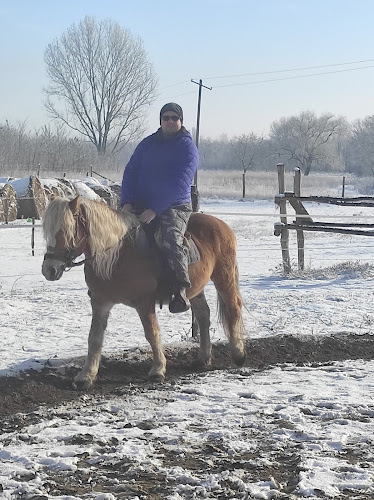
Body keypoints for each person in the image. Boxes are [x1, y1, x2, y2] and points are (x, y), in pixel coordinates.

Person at [120, 103, 199, 313]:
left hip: (175, 206)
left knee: (170, 238)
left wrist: (154, 209)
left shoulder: (187, 147)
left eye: (175, 118)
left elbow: (180, 182)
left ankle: (180, 289)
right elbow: (131, 171)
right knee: (113, 233)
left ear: (181, 121)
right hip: (141, 204)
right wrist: (126, 202)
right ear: (161, 121)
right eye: (166, 118)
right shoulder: (147, 144)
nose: (170, 121)